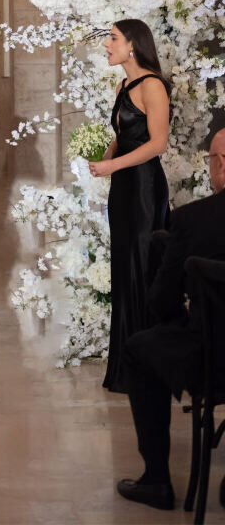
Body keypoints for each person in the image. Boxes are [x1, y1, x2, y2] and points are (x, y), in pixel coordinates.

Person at [114, 126, 225, 511]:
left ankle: (157, 480)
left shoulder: (193, 220)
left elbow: (161, 302)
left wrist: (181, 321)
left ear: (219, 165)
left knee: (138, 350)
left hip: (213, 363)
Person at [90, 19, 170, 393]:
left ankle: (145, 369)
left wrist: (113, 165)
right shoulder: (124, 84)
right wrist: (101, 158)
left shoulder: (152, 85)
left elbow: (157, 145)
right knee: (125, 270)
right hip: (123, 188)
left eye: (113, 38)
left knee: (141, 270)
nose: (106, 44)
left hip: (142, 189)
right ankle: (125, 368)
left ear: (133, 46)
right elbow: (124, 138)